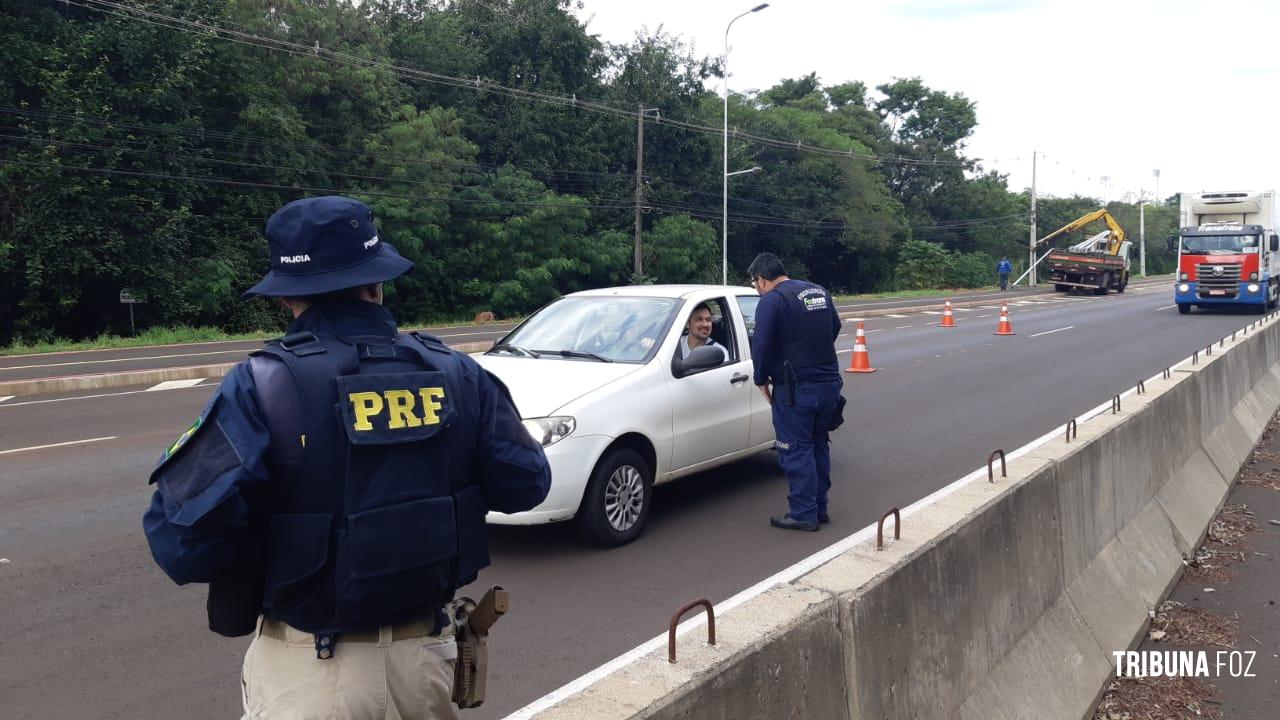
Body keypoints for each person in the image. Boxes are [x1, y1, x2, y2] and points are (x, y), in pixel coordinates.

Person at [142, 196, 551, 719]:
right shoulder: (459, 375)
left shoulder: (264, 386)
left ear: (289, 298)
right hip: (428, 667)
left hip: (312, 676)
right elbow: (527, 485)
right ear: (376, 284)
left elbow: (180, 543)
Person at [747, 252, 844, 532]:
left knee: (796, 450)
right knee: (818, 444)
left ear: (762, 280)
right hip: (829, 383)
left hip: (796, 389)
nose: (757, 289)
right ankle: (819, 507)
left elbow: (761, 344)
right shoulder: (818, 291)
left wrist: (760, 378)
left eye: (755, 284)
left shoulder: (772, 301)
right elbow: (834, 328)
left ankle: (803, 513)